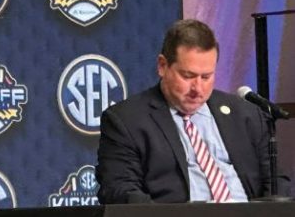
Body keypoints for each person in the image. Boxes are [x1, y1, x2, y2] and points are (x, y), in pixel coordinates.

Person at [96, 19, 276, 204]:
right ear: (162, 66)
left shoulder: (246, 115)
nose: (197, 88)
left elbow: (275, 182)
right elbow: (118, 189)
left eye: (206, 77)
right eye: (188, 76)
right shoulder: (127, 120)